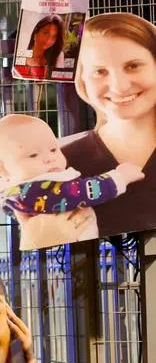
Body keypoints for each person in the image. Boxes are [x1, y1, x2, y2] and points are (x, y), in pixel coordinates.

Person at [0, 113, 143, 250]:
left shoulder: (16, 194)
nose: (49, 158)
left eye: (53, 149)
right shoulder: (29, 191)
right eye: (33, 155)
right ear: (2, 169)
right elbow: (80, 192)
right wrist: (120, 177)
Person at [64, 12, 156, 237]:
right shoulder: (63, 164)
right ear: (82, 79)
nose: (119, 86)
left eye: (133, 66)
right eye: (99, 72)